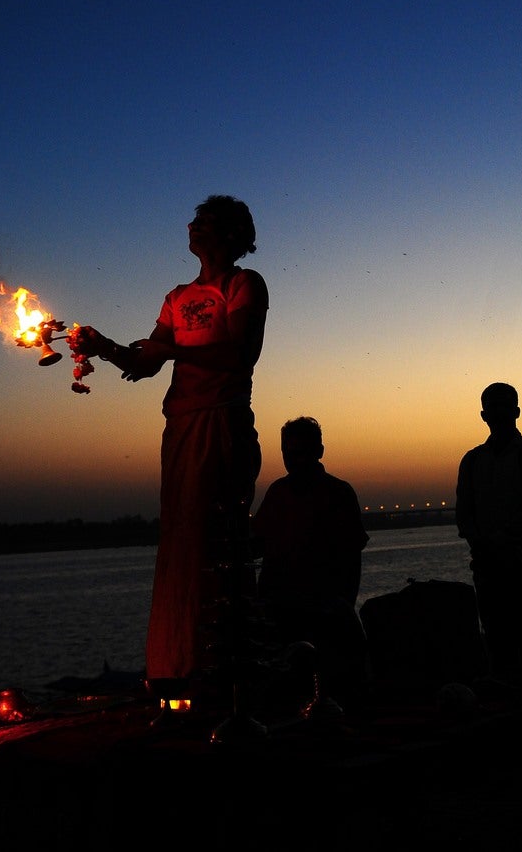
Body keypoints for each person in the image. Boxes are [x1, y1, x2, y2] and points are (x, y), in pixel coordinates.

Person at [72, 195, 268, 707]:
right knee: (180, 542)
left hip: (222, 421)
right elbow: (143, 365)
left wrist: (170, 348)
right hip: (179, 425)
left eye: (203, 221)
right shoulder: (176, 296)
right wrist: (103, 346)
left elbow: (238, 352)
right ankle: (176, 673)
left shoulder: (244, 284)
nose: (191, 226)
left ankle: (225, 675)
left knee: (217, 542)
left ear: (228, 234)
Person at [252, 416, 371, 713]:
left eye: (304, 453)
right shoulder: (277, 493)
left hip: (326, 616)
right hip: (281, 616)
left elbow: (352, 557)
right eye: (290, 455)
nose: (297, 461)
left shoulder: (339, 493)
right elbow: (260, 548)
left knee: (335, 696)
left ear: (320, 451)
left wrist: (342, 604)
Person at [455, 382, 522, 688]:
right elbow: (464, 513)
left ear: (516, 411)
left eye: (504, 406)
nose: (499, 413)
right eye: (493, 407)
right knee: (497, 639)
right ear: (483, 415)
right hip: (489, 566)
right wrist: (482, 541)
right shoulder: (472, 460)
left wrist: (493, 540)